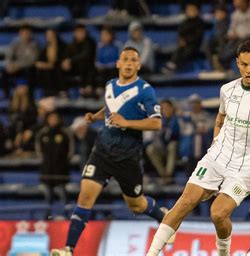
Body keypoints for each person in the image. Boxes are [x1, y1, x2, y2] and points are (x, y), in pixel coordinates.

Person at [147, 41, 250, 256]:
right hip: (217, 157)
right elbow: (220, 118)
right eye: (244, 64)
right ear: (237, 64)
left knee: (217, 213)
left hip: (246, 167)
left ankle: (223, 253)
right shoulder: (227, 90)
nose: (248, 70)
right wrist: (216, 143)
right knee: (184, 203)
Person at [50, 47, 171, 256]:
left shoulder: (145, 90)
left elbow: (156, 124)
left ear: (138, 66)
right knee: (85, 195)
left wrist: (126, 122)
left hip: (128, 157)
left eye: (133, 60)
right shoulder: (109, 85)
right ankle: (68, 249)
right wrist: (95, 117)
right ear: (118, 64)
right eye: (125, 59)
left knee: (136, 205)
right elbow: (111, 107)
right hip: (102, 151)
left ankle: (162, 215)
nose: (129, 63)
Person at [36, 112, 74, 216]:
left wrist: (64, 162)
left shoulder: (65, 133)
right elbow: (39, 151)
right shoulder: (42, 133)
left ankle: (66, 215)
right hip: (47, 170)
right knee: (48, 196)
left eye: (55, 118)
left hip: (61, 170)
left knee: (63, 194)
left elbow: (70, 151)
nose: (53, 120)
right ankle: (47, 216)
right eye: (51, 118)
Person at [161, 2, 206, 74]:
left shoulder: (199, 22)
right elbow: (180, 33)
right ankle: (172, 64)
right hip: (184, 43)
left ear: (197, 11)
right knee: (179, 50)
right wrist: (181, 40)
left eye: (192, 10)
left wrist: (186, 41)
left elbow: (197, 36)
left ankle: (175, 66)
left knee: (187, 50)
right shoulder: (184, 22)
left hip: (195, 44)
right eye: (189, 10)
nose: (190, 12)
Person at [146, 99, 180, 185]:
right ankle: (163, 175)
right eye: (163, 108)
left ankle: (168, 175)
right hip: (162, 149)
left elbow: (177, 135)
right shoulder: (157, 121)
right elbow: (151, 138)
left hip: (176, 151)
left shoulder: (178, 120)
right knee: (150, 149)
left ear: (172, 108)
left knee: (172, 145)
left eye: (167, 108)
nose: (165, 110)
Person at [2, 24, 39, 96]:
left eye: (28, 33)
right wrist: (9, 65)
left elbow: (32, 60)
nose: (26, 35)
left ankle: (30, 95)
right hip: (16, 67)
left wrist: (17, 66)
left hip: (28, 68)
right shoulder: (15, 43)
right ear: (20, 33)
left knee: (31, 70)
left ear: (31, 34)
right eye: (24, 33)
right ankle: (6, 94)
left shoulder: (35, 44)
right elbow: (9, 56)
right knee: (5, 72)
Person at [61, 24, 96, 96]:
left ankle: (86, 87)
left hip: (89, 67)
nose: (80, 34)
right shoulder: (72, 44)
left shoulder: (90, 42)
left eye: (82, 32)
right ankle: (63, 91)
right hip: (75, 68)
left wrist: (70, 61)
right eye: (78, 32)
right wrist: (65, 62)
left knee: (84, 63)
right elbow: (67, 56)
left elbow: (86, 55)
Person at [35, 29, 67, 97]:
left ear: (55, 35)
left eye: (51, 35)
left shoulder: (63, 46)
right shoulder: (45, 48)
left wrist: (50, 65)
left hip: (60, 69)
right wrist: (41, 64)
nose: (49, 37)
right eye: (47, 35)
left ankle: (60, 92)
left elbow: (62, 60)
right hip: (48, 70)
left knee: (53, 70)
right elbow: (39, 61)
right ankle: (48, 93)